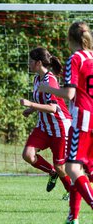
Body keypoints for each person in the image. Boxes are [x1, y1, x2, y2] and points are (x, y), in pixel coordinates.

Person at [38, 21, 93, 224]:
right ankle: (72, 217)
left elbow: (70, 94)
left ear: (70, 39)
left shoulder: (75, 59)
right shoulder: (92, 57)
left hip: (82, 119)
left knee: (72, 169)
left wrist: (47, 89)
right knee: (83, 169)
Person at [19, 47, 72, 198]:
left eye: (30, 61)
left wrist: (30, 105)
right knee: (28, 155)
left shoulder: (51, 81)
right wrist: (31, 110)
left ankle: (71, 192)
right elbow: (41, 101)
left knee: (61, 166)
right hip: (43, 127)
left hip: (59, 127)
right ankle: (51, 172)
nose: (28, 63)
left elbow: (53, 108)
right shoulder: (37, 78)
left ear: (38, 62)